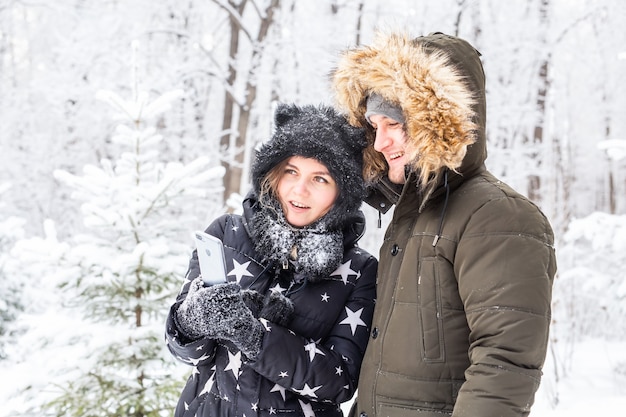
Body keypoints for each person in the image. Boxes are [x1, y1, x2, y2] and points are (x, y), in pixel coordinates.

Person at [330, 31, 557, 417]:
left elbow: (503, 366)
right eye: (375, 125)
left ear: (438, 123)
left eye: (395, 124)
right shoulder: (410, 217)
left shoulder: (498, 217)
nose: (381, 142)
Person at [165, 103, 378, 417]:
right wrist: (190, 320)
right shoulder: (226, 234)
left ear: (342, 192)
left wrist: (254, 335)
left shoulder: (360, 271)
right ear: (272, 173)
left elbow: (340, 382)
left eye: (320, 179)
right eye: (291, 171)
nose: (300, 189)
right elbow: (188, 355)